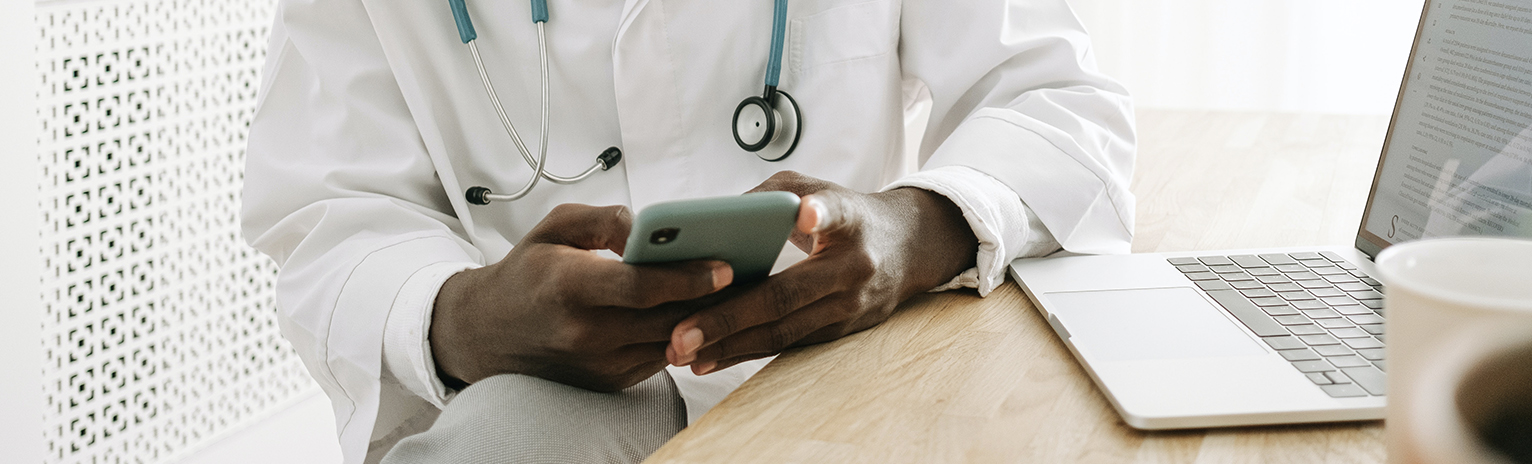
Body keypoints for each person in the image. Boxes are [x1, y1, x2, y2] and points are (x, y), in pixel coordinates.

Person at [241, 0, 1135, 462]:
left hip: (840, 358)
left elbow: (1058, 102)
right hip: (547, 392)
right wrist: (464, 314)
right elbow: (328, 209)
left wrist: (911, 231)